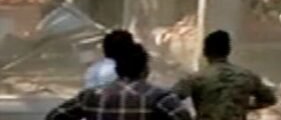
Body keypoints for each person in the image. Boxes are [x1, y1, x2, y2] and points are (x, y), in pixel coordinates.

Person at [47, 42, 192, 120]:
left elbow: (54, 116)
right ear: (145, 71)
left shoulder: (91, 96)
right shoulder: (160, 97)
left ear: (117, 70)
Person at [173, 30, 276, 120]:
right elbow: (270, 99)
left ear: (205, 52)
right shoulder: (247, 75)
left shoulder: (196, 78)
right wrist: (245, 107)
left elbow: (170, 99)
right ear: (228, 51)